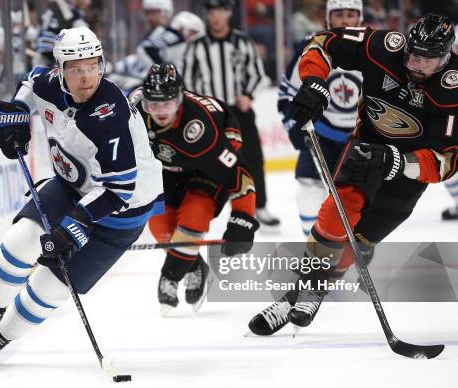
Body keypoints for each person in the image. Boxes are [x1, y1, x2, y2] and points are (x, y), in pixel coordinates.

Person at [0, 27, 164, 367]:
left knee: (50, 285)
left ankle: (2, 337)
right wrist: (15, 115)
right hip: (72, 185)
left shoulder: (110, 117)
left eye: (93, 66)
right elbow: (30, 82)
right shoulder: (48, 83)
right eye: (77, 68)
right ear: (61, 69)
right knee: (19, 240)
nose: (87, 77)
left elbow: (119, 190)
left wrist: (75, 226)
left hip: (121, 211)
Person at [248, 13, 457, 336]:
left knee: (357, 244)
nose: (415, 64)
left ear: (445, 58)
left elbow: (447, 161)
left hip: (409, 175)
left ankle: (297, 296)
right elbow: (323, 42)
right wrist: (314, 81)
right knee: (334, 217)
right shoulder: (383, 47)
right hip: (363, 151)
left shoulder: (453, 88)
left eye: (426, 60)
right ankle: (308, 293)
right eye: (413, 54)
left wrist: (397, 161)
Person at [130, 63, 258, 314]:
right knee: (159, 224)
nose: (160, 112)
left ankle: (171, 275)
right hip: (167, 168)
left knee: (194, 215)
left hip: (206, 165)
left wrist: (243, 220)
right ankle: (195, 265)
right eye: (153, 105)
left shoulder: (200, 130)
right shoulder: (133, 112)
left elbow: (239, 174)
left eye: (166, 103)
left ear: (179, 99)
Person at [182, 0, 280, 231]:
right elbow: (186, 83)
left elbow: (258, 75)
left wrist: (248, 95)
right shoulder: (195, 45)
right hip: (209, 114)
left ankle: (259, 207)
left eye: (220, 11)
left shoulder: (243, 42)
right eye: (211, 11)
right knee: (203, 161)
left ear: (228, 13)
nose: (215, 16)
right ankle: (196, 211)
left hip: (239, 113)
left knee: (253, 159)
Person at [278, 0, 363, 236]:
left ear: (360, 18)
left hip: (361, 140)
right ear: (327, 18)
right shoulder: (312, 47)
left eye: (350, 14)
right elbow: (286, 93)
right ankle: (313, 251)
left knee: (358, 199)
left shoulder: (375, 48)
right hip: (321, 135)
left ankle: (354, 244)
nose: (345, 21)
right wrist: (295, 126)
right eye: (338, 14)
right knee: (307, 187)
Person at [34, 0, 88, 67]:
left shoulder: (51, 10)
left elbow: (41, 28)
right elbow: (84, 36)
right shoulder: (75, 13)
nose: (88, 2)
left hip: (43, 49)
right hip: (55, 50)